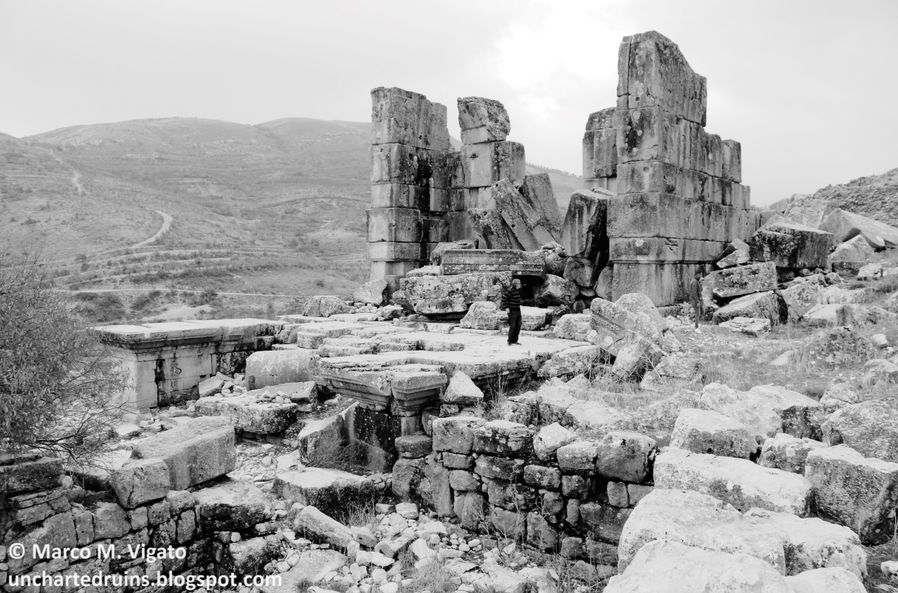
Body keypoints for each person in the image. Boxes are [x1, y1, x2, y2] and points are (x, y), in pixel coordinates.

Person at [501, 278, 523, 345]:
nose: (520, 285)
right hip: (512, 310)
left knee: (518, 326)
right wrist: (506, 307)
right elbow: (504, 298)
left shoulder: (517, 291)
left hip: (518, 310)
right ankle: (510, 341)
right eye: (519, 283)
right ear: (515, 284)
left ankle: (515, 340)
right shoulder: (510, 291)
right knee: (513, 326)